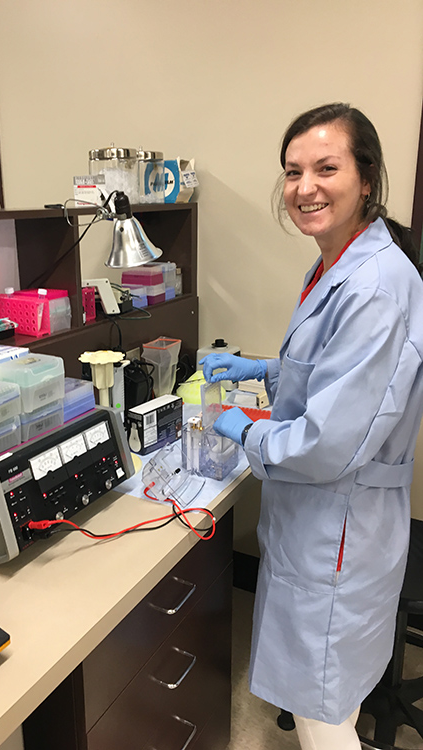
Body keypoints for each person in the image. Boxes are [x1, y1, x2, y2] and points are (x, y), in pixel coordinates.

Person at [201, 102, 423, 750]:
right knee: (333, 696)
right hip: (323, 524)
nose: (304, 187)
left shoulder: (376, 284)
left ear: (368, 178)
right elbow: (335, 372)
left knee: (324, 717)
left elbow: (327, 443)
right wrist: (266, 370)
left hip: (338, 529)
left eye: (326, 167)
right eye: (292, 171)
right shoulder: (335, 263)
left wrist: (242, 428)